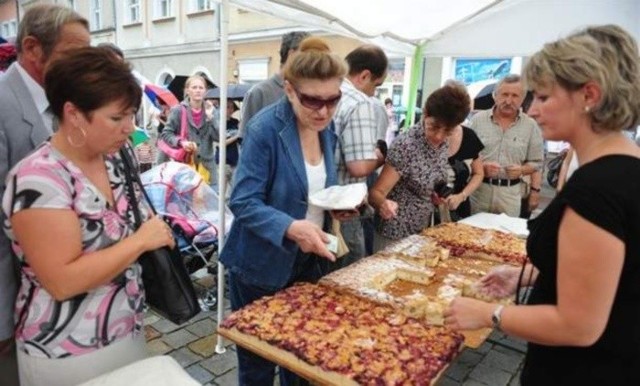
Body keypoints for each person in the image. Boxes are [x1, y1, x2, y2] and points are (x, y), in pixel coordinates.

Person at [444, 25, 640, 385]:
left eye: (545, 97)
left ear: (589, 96)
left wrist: (490, 314)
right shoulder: (624, 169)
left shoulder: (597, 189)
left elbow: (578, 325)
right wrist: (533, 274)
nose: (532, 110)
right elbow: (613, 273)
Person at [1, 47, 176, 386]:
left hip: (126, 330)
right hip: (65, 349)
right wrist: (141, 241)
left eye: (131, 115)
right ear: (74, 114)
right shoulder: (39, 178)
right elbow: (62, 281)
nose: (129, 128)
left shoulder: (112, 158)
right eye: (116, 118)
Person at [219, 37, 352, 386]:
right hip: (261, 264)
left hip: (309, 262)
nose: (323, 111)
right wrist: (293, 228)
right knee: (259, 364)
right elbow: (243, 200)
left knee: (302, 356)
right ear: (290, 90)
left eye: (332, 100)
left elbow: (319, 189)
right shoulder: (265, 129)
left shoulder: (327, 129)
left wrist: (337, 209)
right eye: (312, 100)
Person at [0, 6, 90, 385]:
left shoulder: (63, 101)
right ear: (33, 48)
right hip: (17, 303)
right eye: (75, 53)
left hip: (63, 309)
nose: (84, 65)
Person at [369, 85, 471, 251]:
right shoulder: (406, 145)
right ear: (424, 114)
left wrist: (436, 195)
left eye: (448, 131)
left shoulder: (443, 143)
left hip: (421, 230)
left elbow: (429, 181)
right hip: (394, 233)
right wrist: (384, 204)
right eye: (434, 126)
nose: (439, 136)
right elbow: (375, 194)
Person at [328, 44, 388, 270]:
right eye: (377, 85)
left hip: (318, 205)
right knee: (347, 280)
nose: (374, 93)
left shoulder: (326, 91)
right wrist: (380, 156)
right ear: (364, 76)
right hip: (344, 208)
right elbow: (360, 167)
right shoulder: (360, 102)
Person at [469, 74, 544, 217]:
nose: (509, 101)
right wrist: (482, 167)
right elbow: (465, 158)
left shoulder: (531, 125)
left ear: (522, 99)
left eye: (515, 96)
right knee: (473, 235)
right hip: (480, 192)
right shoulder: (477, 121)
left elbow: (537, 162)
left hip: (511, 195)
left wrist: (522, 170)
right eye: (504, 94)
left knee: (507, 237)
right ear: (495, 96)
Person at [239, 31, 310, 140]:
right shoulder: (259, 92)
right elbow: (246, 141)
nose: (311, 62)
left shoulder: (305, 92)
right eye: (308, 56)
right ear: (292, 54)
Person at [158, 74, 220, 184]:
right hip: (185, 167)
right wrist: (182, 142)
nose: (198, 90)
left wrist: (211, 118)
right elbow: (166, 134)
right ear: (187, 91)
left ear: (205, 91)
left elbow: (219, 137)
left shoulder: (211, 110)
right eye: (194, 87)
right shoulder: (178, 110)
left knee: (210, 200)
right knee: (188, 201)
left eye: (201, 88)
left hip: (208, 168)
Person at [214, 99, 240, 199]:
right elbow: (221, 143)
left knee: (235, 190)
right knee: (221, 193)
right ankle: (221, 213)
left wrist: (241, 129)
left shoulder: (235, 122)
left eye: (231, 107)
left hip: (235, 160)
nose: (229, 109)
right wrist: (236, 136)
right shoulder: (218, 123)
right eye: (227, 107)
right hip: (222, 161)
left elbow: (240, 139)